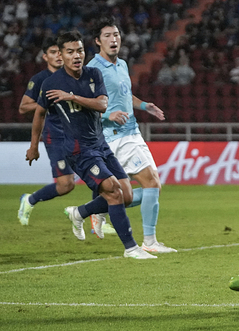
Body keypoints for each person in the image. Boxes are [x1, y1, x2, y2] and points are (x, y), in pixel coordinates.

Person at [25, 30, 155, 259]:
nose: (77, 56)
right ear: (62, 56)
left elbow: (103, 104)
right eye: (70, 52)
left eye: (80, 50)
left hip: (101, 145)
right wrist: (34, 146)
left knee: (125, 195)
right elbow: (39, 114)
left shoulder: (93, 74)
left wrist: (72, 97)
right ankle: (131, 248)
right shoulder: (50, 83)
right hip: (78, 150)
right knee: (114, 191)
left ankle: (79, 212)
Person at [87, 16, 176, 253]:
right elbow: (87, 106)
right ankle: (149, 242)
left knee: (138, 189)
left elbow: (126, 97)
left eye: (116, 34)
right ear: (98, 41)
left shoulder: (122, 65)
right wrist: (109, 116)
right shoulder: (93, 70)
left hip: (131, 132)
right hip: (114, 136)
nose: (113, 39)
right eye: (107, 35)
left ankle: (96, 209)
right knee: (151, 183)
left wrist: (146, 106)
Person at [17, 37, 75, 226]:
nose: (58, 56)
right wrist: (45, 103)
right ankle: (30, 200)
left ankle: (95, 216)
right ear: (45, 56)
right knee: (66, 185)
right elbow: (23, 107)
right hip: (55, 135)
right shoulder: (40, 80)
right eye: (52, 52)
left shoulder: (73, 75)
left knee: (100, 176)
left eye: (60, 51)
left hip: (77, 134)